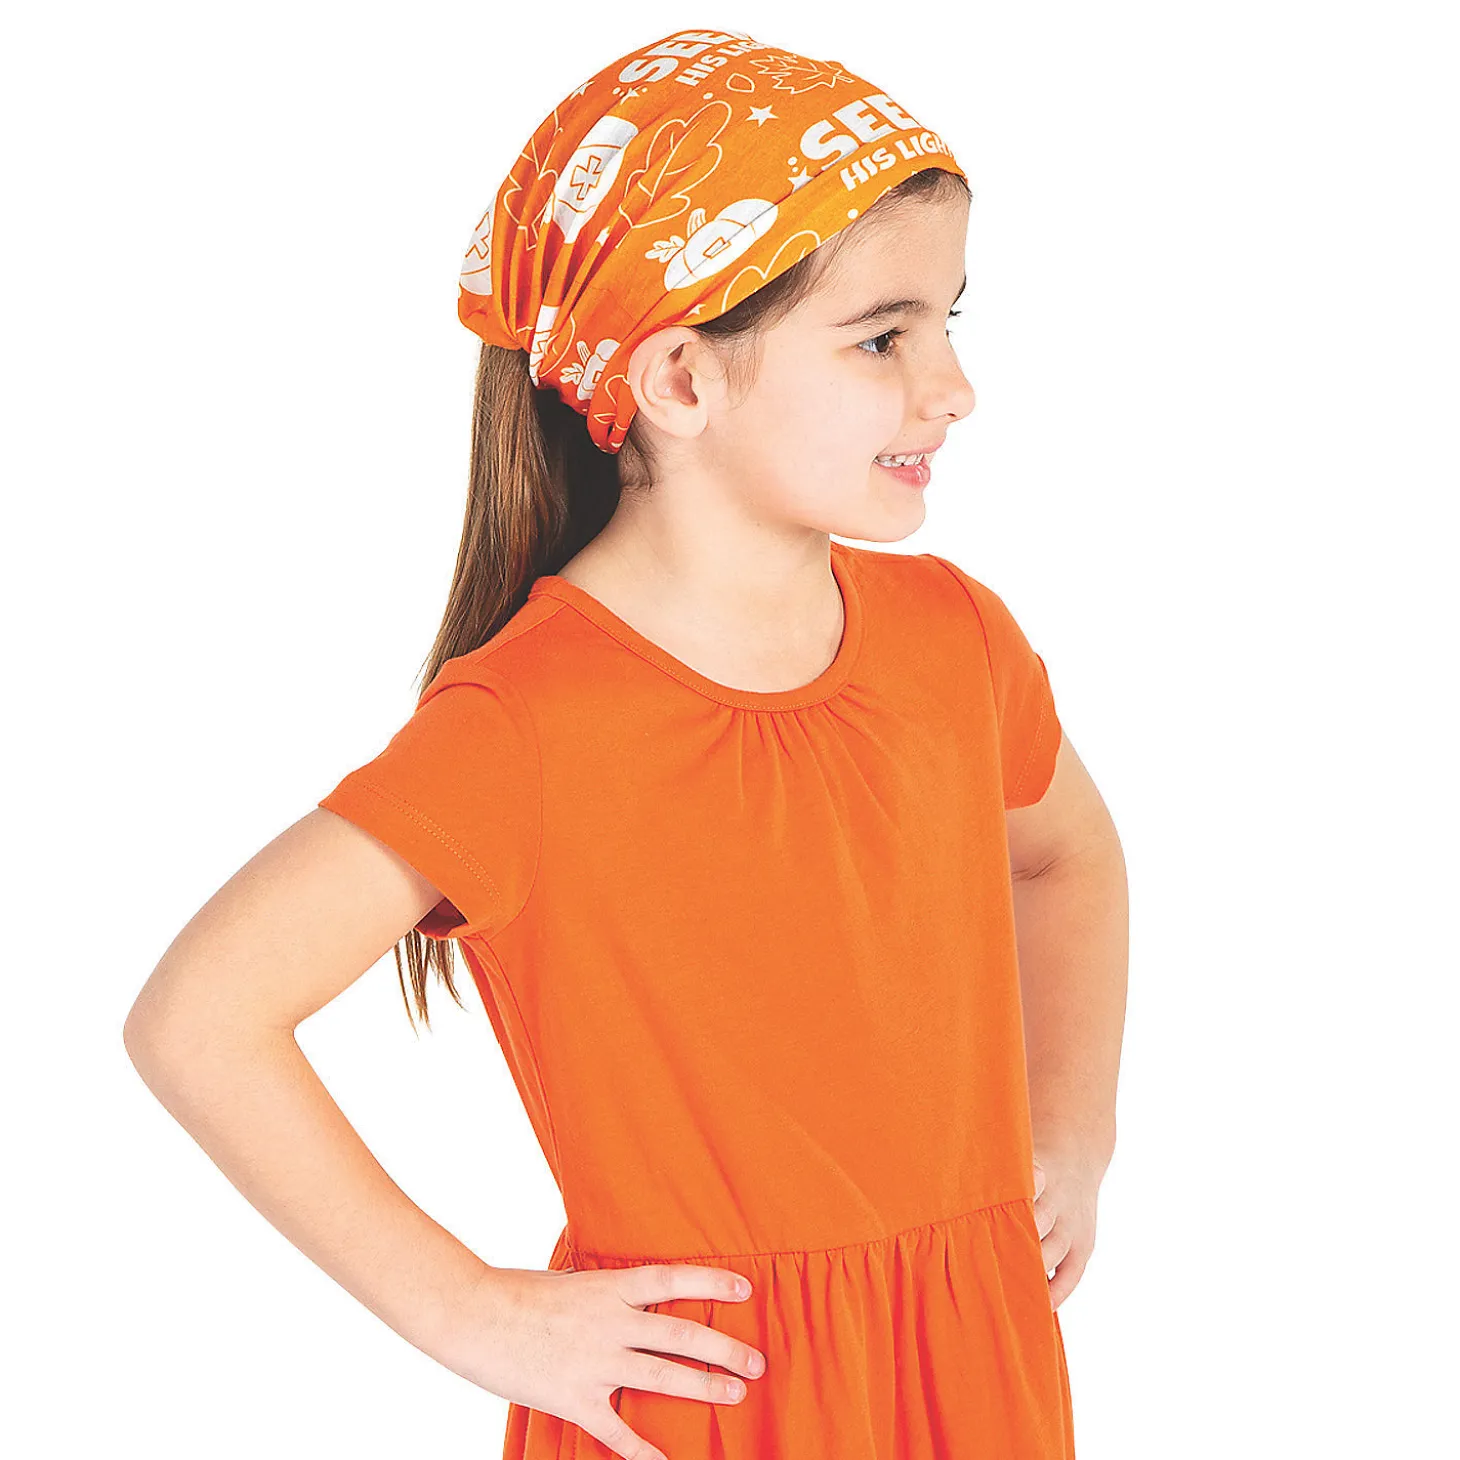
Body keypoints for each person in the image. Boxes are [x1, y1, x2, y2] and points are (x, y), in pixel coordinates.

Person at [123, 26, 1128, 1460]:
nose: (953, 386)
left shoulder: (953, 638)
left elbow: (1066, 857)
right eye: (885, 336)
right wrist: (473, 1314)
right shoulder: (529, 725)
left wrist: (1073, 1126)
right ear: (679, 381)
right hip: (703, 1401)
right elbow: (199, 1019)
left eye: (952, 321)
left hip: (975, 1369)